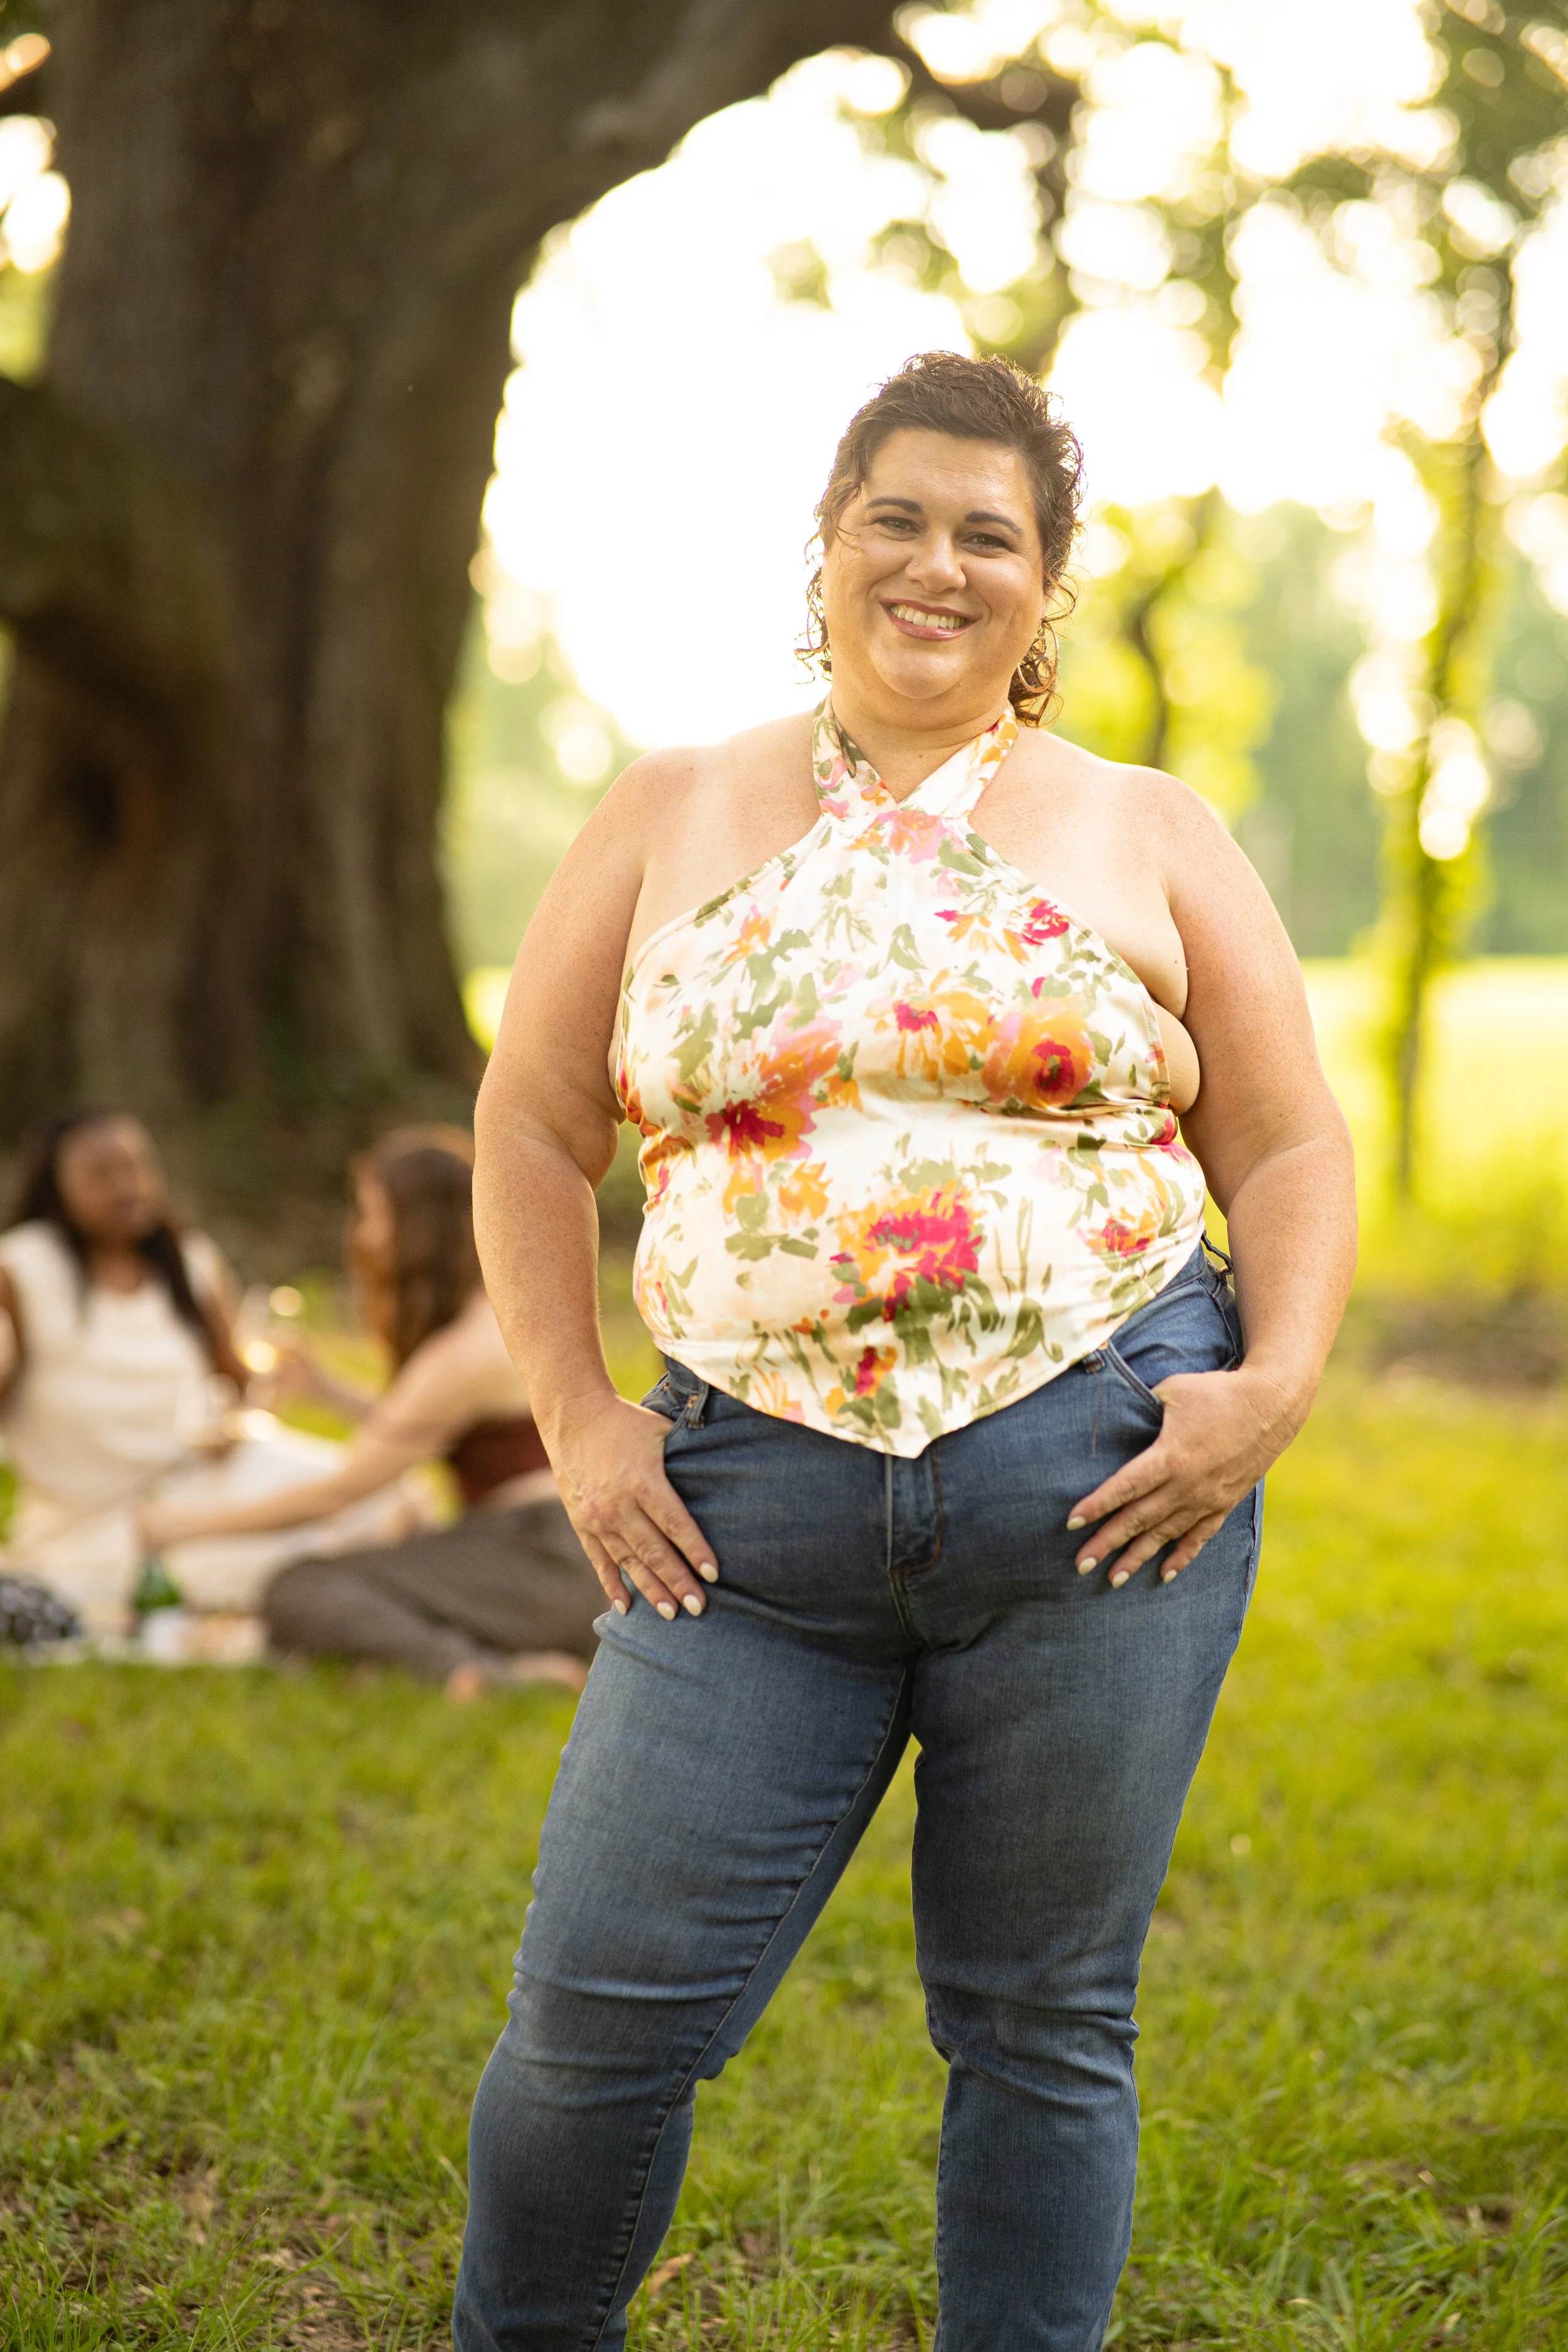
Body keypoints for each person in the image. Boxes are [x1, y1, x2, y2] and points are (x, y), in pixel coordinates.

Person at [458, 352, 1357, 2350]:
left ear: (1041, 588)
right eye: (896, 515)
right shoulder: (669, 803)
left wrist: (1270, 1382)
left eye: (987, 532)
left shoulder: (1143, 825)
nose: (934, 563)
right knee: (595, 2017)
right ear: (826, 539)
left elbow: (1285, 1137)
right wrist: (581, 1423)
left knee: (1041, 2022)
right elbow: (526, 1128)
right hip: (738, 1519)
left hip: (1100, 1504)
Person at [139, 1130, 601, 1697]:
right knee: (366, 1562)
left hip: (539, 1562)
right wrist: (326, 1390)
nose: (362, 1234)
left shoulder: (459, 1356)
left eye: (373, 1214)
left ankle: (476, 1674)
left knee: (299, 1589)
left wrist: (181, 1528)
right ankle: (485, 1654)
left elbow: (338, 1492)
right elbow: (424, 1428)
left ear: (418, 1227)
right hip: (549, 1556)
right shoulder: (487, 1316)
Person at [0, 1108, 396, 1639]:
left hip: (209, 1483)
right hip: (100, 1521)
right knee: (268, 1551)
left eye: (138, 1167)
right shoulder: (23, 1270)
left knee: (386, 1497)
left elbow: (240, 1393)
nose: (128, 1186)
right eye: (101, 1174)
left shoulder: (189, 1262)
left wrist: (237, 1422)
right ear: (55, 1189)